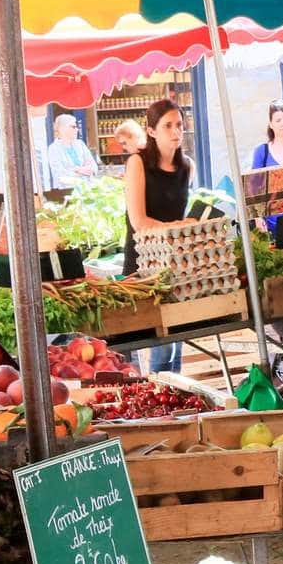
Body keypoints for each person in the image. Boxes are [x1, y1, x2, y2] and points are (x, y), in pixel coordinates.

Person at [126, 98, 193, 373]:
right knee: (157, 342)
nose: (176, 132)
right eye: (168, 126)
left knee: (175, 340)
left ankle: (175, 402)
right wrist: (178, 228)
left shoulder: (186, 166)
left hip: (175, 265)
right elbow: (138, 221)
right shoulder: (137, 163)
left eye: (179, 125)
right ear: (152, 131)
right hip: (144, 264)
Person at [46, 114, 100, 191]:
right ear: (63, 129)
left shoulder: (80, 144)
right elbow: (60, 175)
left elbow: (94, 167)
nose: (77, 129)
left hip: (88, 189)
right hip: (67, 192)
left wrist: (76, 170)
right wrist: (80, 170)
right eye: (73, 127)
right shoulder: (53, 148)